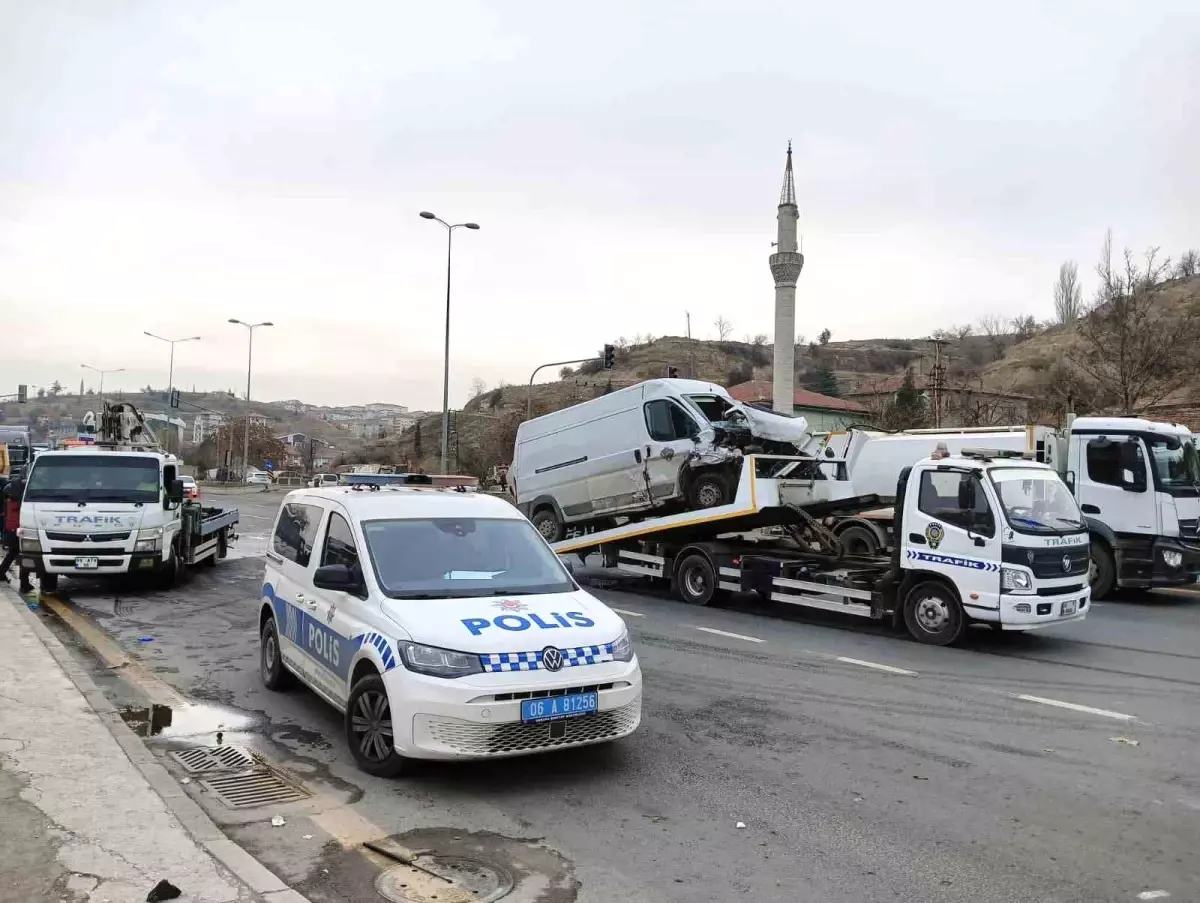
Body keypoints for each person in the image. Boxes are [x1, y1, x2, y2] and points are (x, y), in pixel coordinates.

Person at [1, 471, 32, 593]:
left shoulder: (9, 499)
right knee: (25, 554)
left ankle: (1, 572)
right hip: (21, 529)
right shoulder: (22, 502)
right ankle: (24, 583)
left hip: (10, 529)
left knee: (12, 554)